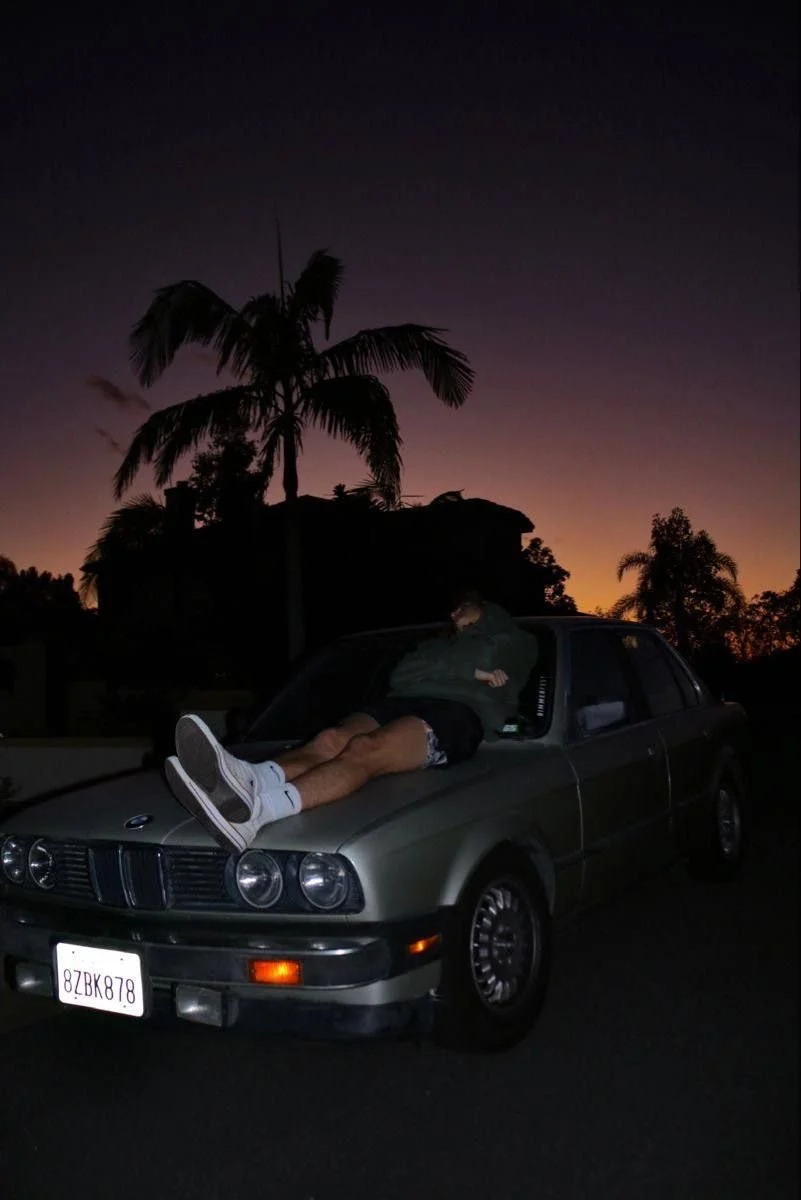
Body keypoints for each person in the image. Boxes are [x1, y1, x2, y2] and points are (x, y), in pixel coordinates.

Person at [164, 592, 539, 852]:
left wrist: (462, 664)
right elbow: (404, 673)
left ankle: (255, 815)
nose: (454, 614)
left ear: (487, 610)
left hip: (458, 714)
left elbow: (493, 652)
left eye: (463, 608)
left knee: (365, 749)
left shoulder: (516, 639)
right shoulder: (438, 644)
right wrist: (473, 668)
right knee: (331, 738)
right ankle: (246, 778)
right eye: (453, 612)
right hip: (403, 700)